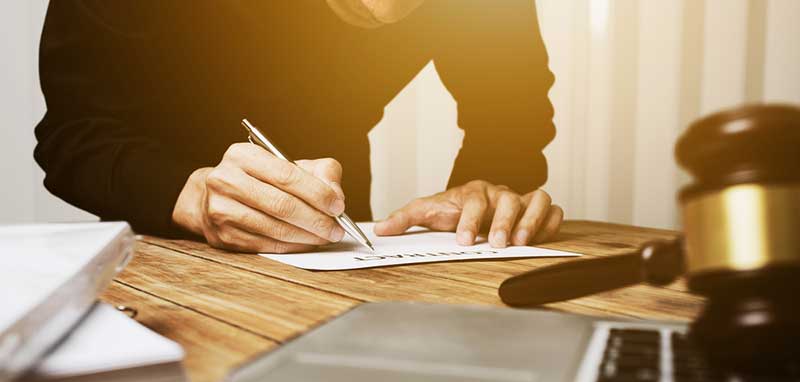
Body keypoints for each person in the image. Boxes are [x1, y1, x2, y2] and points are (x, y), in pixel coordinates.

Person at [35, 0, 562, 253]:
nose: (383, 11)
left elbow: (512, 115)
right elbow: (73, 132)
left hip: (335, 239)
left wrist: (482, 190)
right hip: (160, 245)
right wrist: (189, 193)